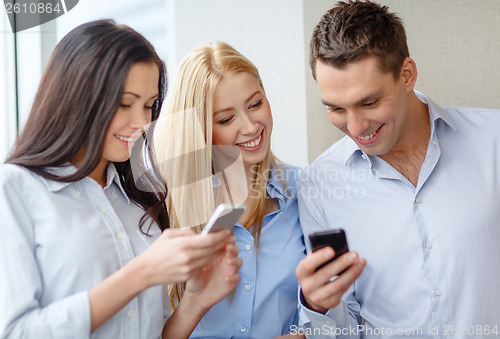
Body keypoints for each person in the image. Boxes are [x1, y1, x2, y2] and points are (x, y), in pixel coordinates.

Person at [0, 20, 241, 339]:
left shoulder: (138, 200)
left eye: (149, 105)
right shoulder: (15, 190)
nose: (142, 123)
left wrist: (197, 301)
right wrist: (142, 273)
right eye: (125, 104)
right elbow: (15, 331)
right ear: (76, 97)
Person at [295, 0, 500, 338]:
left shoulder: (493, 141)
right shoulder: (318, 184)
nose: (356, 126)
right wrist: (319, 307)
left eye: (369, 102)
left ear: (406, 74)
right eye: (336, 109)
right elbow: (338, 332)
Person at [153, 41, 306, 338]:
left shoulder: (303, 191)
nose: (250, 127)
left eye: (255, 104)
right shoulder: (162, 208)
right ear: (199, 130)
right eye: (226, 119)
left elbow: (335, 314)